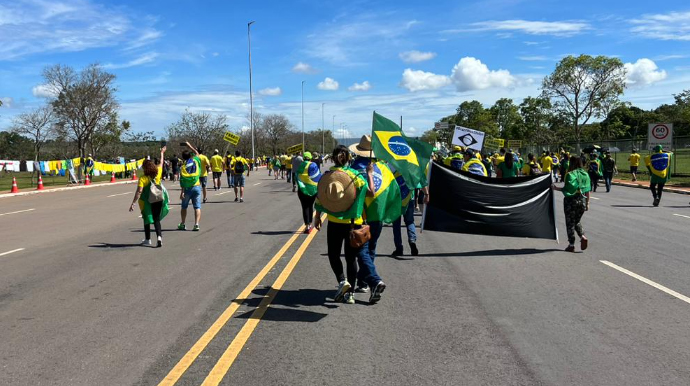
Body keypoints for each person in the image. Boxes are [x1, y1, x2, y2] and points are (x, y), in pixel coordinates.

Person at [314, 145, 383, 305]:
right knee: (351, 259)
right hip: (354, 224)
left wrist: (317, 217)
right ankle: (350, 293)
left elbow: (320, 198)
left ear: (332, 158)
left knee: (333, 255)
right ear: (349, 159)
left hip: (334, 222)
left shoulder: (328, 176)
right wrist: (370, 174)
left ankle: (342, 281)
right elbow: (371, 192)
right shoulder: (356, 176)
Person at [349, 135, 398, 295]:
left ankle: (373, 280)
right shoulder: (384, 168)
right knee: (371, 248)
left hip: (360, 216)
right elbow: (393, 190)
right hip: (378, 215)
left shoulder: (354, 168)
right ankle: (364, 282)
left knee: (360, 250)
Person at [129, 146, 169, 247]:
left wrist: (133, 203)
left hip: (147, 201)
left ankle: (148, 239)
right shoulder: (158, 173)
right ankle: (159, 237)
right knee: (156, 219)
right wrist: (162, 152)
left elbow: (139, 191)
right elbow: (161, 162)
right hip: (158, 198)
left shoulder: (143, 178)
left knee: (146, 218)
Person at [558, 156, 590, 253]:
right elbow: (587, 190)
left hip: (571, 201)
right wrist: (587, 203)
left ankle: (571, 244)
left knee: (570, 223)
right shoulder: (585, 174)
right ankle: (582, 236)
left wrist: (555, 188)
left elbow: (567, 189)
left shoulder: (569, 175)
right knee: (577, 221)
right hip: (582, 200)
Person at [178, 142, 203, 231]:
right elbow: (197, 153)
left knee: (184, 207)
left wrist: (182, 192)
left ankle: (183, 223)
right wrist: (189, 146)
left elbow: (182, 181)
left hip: (187, 189)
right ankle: (196, 224)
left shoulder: (183, 167)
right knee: (197, 207)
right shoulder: (196, 160)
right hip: (196, 186)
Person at [296, 152, 321, 233]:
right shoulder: (313, 165)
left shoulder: (300, 165)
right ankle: (310, 224)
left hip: (302, 190)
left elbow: (296, 176)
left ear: (303, 158)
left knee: (305, 207)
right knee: (310, 206)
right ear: (310, 158)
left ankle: (307, 226)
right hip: (312, 190)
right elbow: (318, 176)